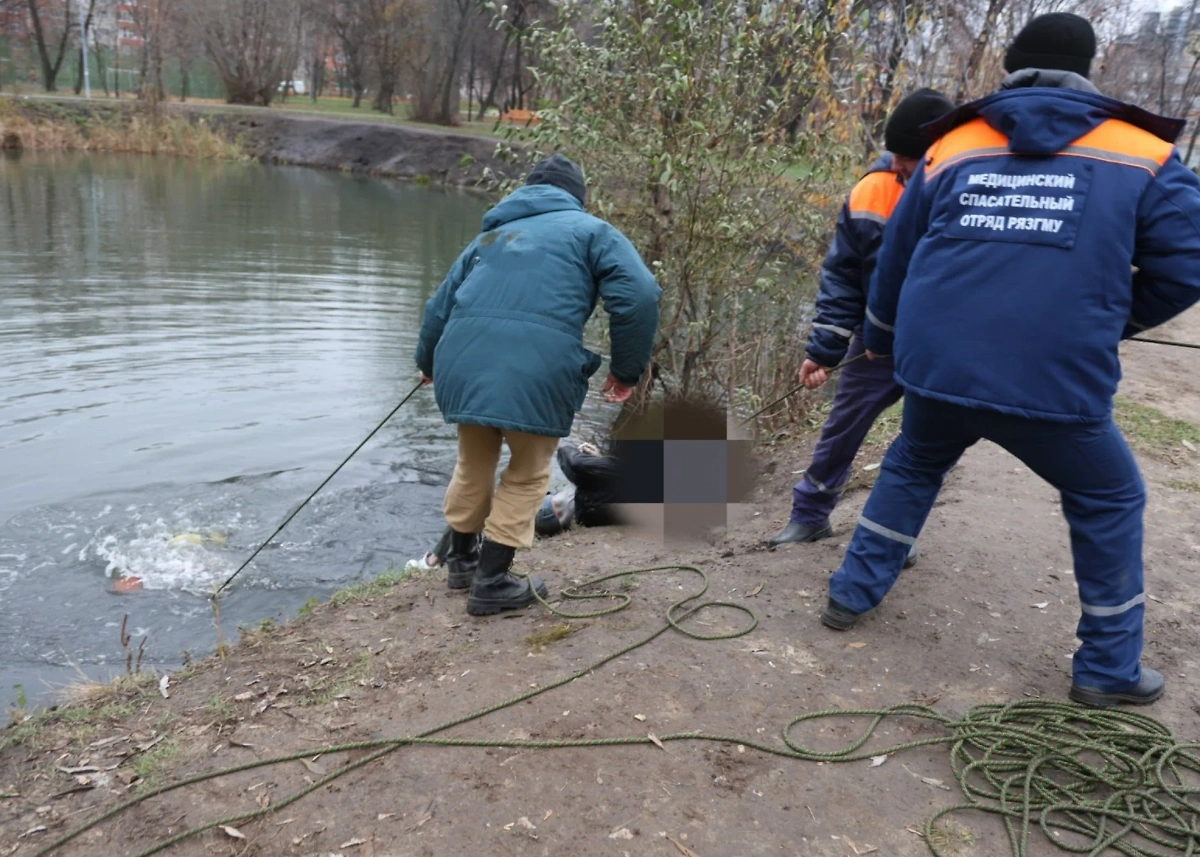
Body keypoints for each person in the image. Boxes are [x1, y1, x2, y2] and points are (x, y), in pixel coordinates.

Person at [821, 13, 1200, 708]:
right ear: (1088, 71)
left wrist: (879, 336)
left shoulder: (953, 144)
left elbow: (896, 262)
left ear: (1010, 66)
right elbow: (1186, 265)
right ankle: (1109, 668)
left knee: (913, 460)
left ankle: (850, 593)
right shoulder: (1141, 151)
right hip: (1055, 378)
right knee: (1110, 496)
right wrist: (1111, 317)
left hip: (938, 364)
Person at [415, 154, 661, 616]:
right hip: (538, 368)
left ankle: (462, 563)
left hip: (463, 363)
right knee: (527, 473)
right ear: (576, 197)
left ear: (526, 193)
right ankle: (491, 583)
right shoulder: (592, 232)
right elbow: (641, 294)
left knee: (473, 463)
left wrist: (427, 362)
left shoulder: (490, 236)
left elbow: (438, 306)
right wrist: (626, 371)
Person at [768, 88, 955, 560]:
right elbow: (843, 274)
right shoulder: (871, 188)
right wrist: (824, 349)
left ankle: (894, 529)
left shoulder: (967, 188)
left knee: (925, 441)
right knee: (843, 426)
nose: (898, 167)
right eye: (894, 155)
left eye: (908, 159)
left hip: (942, 349)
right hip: (875, 342)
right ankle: (809, 517)